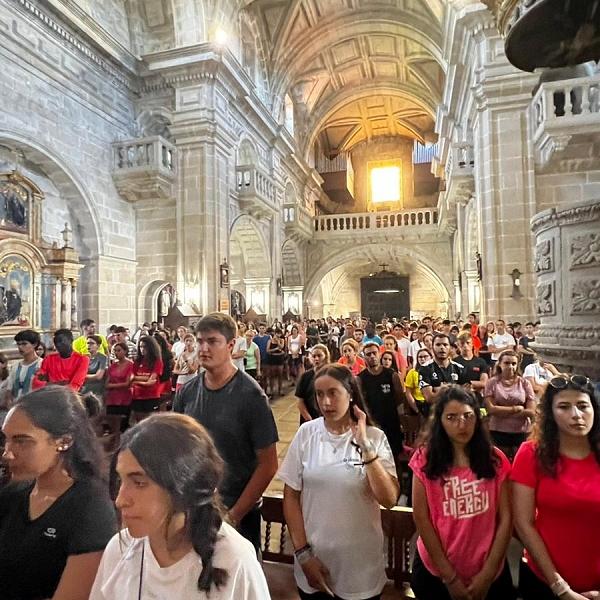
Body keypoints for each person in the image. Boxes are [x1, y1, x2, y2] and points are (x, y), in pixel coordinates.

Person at [89, 413, 271, 600]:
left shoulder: (234, 562)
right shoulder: (119, 550)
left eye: (139, 483)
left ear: (183, 488)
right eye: (121, 480)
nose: (120, 500)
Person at [279, 364, 399, 600]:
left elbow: (389, 499)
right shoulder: (307, 434)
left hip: (360, 568)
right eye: (320, 394)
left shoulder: (375, 437)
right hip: (314, 560)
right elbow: (291, 496)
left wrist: (364, 445)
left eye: (333, 393)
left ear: (350, 393)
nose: (325, 403)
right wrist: (303, 555)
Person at [174, 313, 279, 551]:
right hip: (194, 507)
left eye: (212, 341)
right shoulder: (187, 393)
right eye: (200, 341)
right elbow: (177, 450)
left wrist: (234, 516)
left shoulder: (251, 396)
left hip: (237, 511)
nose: (203, 348)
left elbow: (269, 464)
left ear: (231, 345)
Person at [0, 387, 116, 600]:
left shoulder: (91, 507)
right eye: (6, 440)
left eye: (21, 441)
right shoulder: (12, 496)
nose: (8, 453)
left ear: (64, 441)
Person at [410, 385, 515, 600]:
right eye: (452, 417)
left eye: (468, 416)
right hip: (437, 570)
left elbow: (506, 518)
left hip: (488, 568)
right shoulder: (424, 459)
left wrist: (487, 575)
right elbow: (421, 517)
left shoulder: (495, 460)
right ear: (440, 421)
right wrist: (450, 578)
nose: (462, 425)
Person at [512, 375, 600, 599]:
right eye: (564, 407)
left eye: (582, 406)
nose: (576, 415)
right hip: (545, 580)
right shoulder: (531, 454)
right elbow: (523, 523)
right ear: (550, 414)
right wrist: (560, 587)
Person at [484, 350, 536, 461]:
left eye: (513, 363)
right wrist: (516, 409)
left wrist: (502, 411)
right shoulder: (492, 383)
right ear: (500, 364)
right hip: (498, 430)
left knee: (521, 462)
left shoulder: (524, 383)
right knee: (500, 463)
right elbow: (492, 409)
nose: (510, 366)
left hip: (521, 431)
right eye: (507, 363)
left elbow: (531, 411)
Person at [359, 342, 405, 460]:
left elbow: (399, 397)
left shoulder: (392, 375)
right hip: (372, 422)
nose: (372, 356)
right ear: (364, 357)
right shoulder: (360, 378)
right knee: (374, 457)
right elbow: (360, 402)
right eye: (368, 354)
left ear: (379, 354)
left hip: (391, 421)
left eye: (374, 353)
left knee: (395, 457)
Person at [418, 334, 469, 418]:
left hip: (455, 415)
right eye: (438, 345)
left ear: (450, 348)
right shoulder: (425, 369)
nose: (442, 348)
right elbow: (429, 398)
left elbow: (465, 395)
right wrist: (453, 389)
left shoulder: (460, 368)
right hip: (433, 416)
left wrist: (440, 390)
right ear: (432, 347)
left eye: (445, 345)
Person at [131, 335, 164, 424]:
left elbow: (151, 381)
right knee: (139, 422)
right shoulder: (137, 362)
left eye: (145, 347)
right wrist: (144, 379)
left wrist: (137, 380)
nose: (142, 349)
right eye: (141, 347)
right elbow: (131, 378)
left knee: (151, 422)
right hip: (137, 396)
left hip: (151, 396)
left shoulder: (157, 362)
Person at [5, 329, 42, 405]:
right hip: (16, 405)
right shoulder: (15, 366)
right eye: (18, 344)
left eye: (24, 344)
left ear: (34, 344)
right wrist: (8, 400)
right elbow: (9, 388)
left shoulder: (42, 364)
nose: (20, 347)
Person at [295, 344, 330, 425]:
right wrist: (309, 420)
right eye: (314, 356)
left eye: (319, 356)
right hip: (309, 418)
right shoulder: (306, 376)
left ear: (325, 357)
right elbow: (300, 400)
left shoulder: (331, 374)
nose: (316, 359)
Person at [105, 341, 134, 430]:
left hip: (124, 397)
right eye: (115, 351)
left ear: (125, 351)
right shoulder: (113, 365)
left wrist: (112, 385)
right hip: (112, 398)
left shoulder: (131, 364)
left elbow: (127, 383)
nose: (117, 353)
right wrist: (114, 385)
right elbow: (107, 383)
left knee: (123, 424)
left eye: (119, 350)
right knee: (111, 424)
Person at [454, 332, 489, 406]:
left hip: (476, 398)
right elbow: (452, 384)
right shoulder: (454, 362)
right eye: (462, 343)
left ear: (472, 344)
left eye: (468, 343)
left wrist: (469, 384)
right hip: (459, 398)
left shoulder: (481, 362)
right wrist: (463, 388)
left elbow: (484, 383)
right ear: (458, 345)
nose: (465, 346)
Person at [266, 328, 286, 398]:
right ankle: (271, 391)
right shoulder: (270, 341)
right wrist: (276, 349)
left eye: (279, 334)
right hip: (272, 359)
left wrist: (278, 341)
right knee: (272, 376)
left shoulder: (282, 340)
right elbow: (268, 350)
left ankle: (280, 390)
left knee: (280, 375)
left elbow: (281, 347)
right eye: (277, 333)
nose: (278, 335)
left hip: (279, 359)